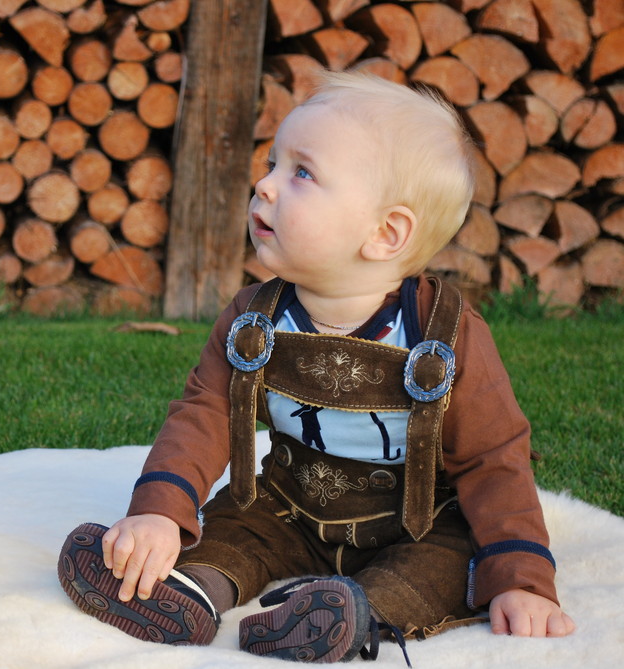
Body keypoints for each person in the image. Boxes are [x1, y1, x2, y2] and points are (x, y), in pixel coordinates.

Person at [57, 70, 575, 664]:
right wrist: (158, 513)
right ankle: (179, 590)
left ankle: (352, 613)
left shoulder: (445, 335)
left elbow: (494, 457)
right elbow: (203, 412)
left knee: (444, 564)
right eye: (272, 163)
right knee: (234, 525)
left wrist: (522, 579)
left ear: (386, 233)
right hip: (291, 502)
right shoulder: (254, 319)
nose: (265, 185)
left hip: (415, 521)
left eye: (301, 173)